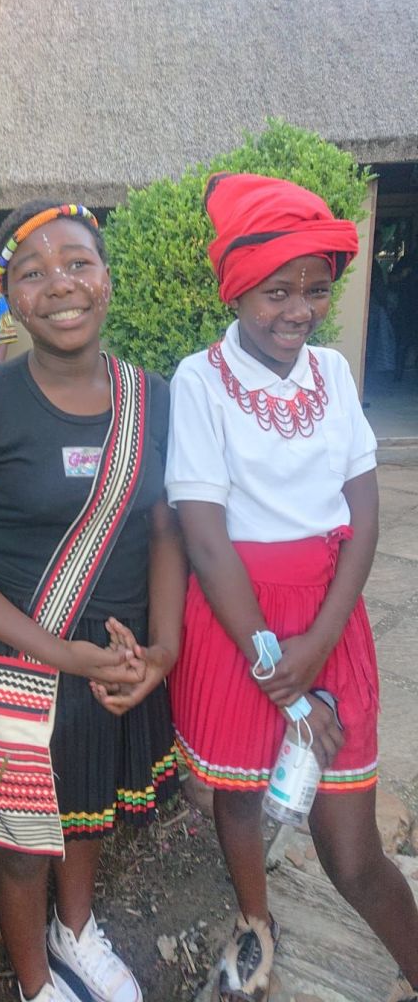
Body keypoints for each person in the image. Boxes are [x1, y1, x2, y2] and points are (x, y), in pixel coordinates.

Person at [0, 201, 185, 1002]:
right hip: (9, 661)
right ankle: (37, 982)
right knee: (23, 846)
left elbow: (166, 528)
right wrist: (58, 651)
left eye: (77, 263)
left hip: (112, 658)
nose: (59, 284)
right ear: (7, 297)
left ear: (106, 278)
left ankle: (76, 930)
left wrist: (163, 649)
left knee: (87, 809)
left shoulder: (153, 398)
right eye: (32, 273)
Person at [165, 172, 418, 1002]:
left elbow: (364, 516)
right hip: (240, 624)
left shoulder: (332, 374)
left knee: (351, 847)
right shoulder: (199, 381)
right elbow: (206, 538)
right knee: (240, 798)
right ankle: (255, 920)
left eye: (315, 289)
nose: (298, 310)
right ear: (237, 291)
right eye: (277, 291)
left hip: (327, 621)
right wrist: (279, 668)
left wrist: (317, 647)